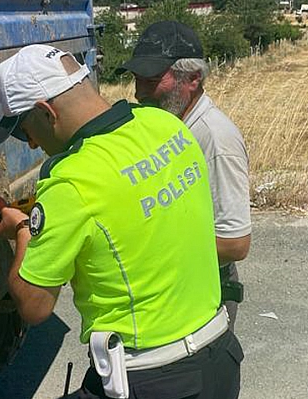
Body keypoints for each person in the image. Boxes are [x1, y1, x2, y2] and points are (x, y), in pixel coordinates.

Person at [0, 44, 243, 399]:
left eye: (23, 129)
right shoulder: (166, 125)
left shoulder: (71, 181)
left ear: (46, 113)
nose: (31, 143)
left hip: (153, 380)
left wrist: (21, 230)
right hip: (220, 359)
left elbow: (34, 306)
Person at [116, 21, 252, 331]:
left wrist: (147, 248)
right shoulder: (171, 125)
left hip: (206, 293)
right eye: (137, 79)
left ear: (192, 79)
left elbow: (235, 244)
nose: (139, 93)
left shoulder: (215, 140)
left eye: (151, 80)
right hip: (176, 288)